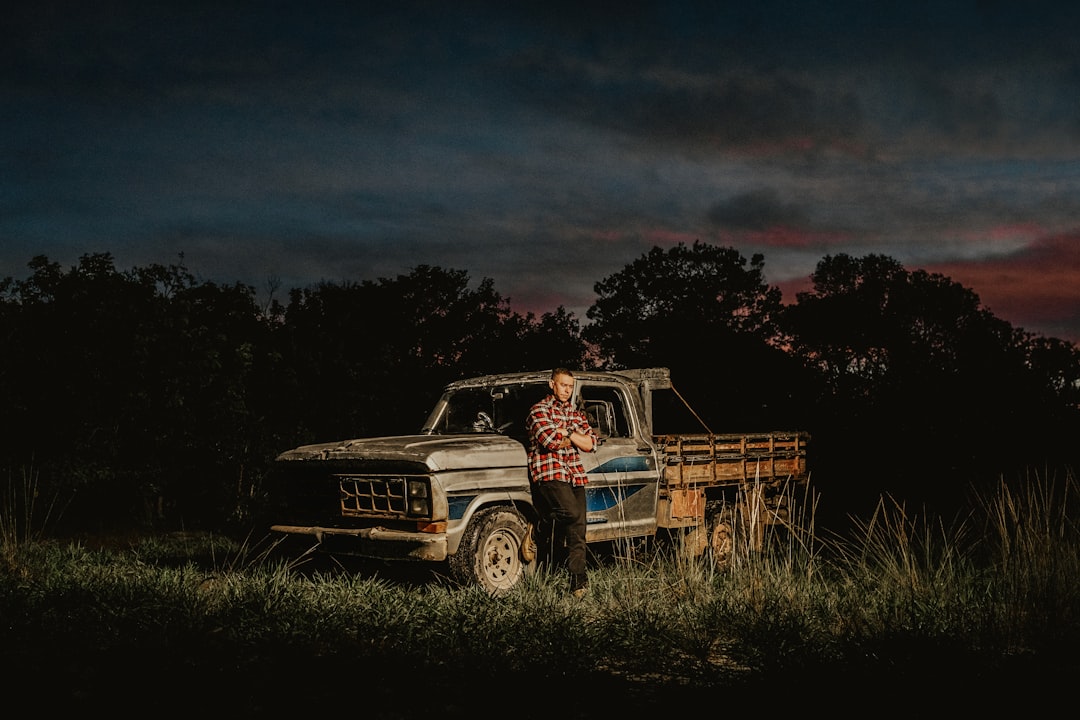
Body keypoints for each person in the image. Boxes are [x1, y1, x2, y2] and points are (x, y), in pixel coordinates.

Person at [526, 367, 598, 598]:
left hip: (575, 472)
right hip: (549, 471)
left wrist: (565, 430)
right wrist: (573, 438)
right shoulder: (538, 410)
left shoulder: (576, 414)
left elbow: (591, 444)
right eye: (562, 385)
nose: (566, 390)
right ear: (552, 384)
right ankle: (538, 529)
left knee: (579, 529)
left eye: (570, 386)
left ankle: (578, 583)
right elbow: (549, 442)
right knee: (570, 513)